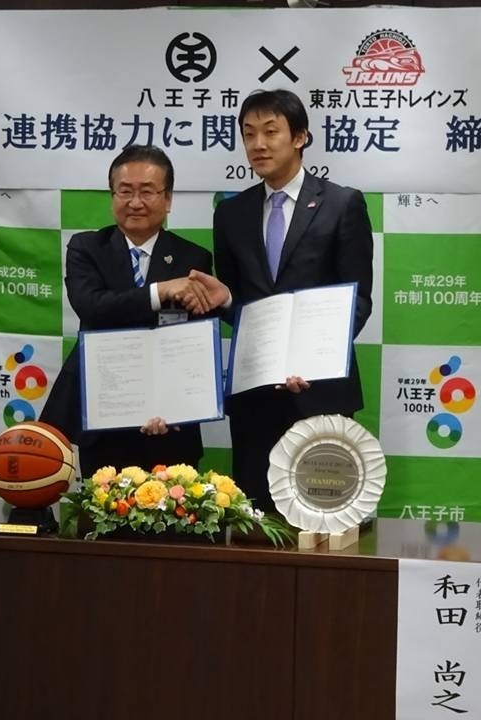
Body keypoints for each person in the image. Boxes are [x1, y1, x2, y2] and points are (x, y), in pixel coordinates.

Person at [186, 89, 374, 510]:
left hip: (319, 390)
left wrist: (312, 360)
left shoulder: (342, 204)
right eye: (249, 133)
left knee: (323, 514)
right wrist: (225, 299)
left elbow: (358, 300)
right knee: (255, 516)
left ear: (300, 137)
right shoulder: (230, 213)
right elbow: (242, 306)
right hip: (255, 392)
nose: (258, 144)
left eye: (271, 131)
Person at [40, 144, 213, 480]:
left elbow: (192, 341)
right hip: (104, 415)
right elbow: (93, 308)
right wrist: (160, 291)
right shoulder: (86, 248)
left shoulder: (194, 259)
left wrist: (172, 405)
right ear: (112, 196)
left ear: (168, 199)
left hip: (170, 423)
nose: (135, 202)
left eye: (147, 191)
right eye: (125, 191)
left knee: (174, 510)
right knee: (102, 510)